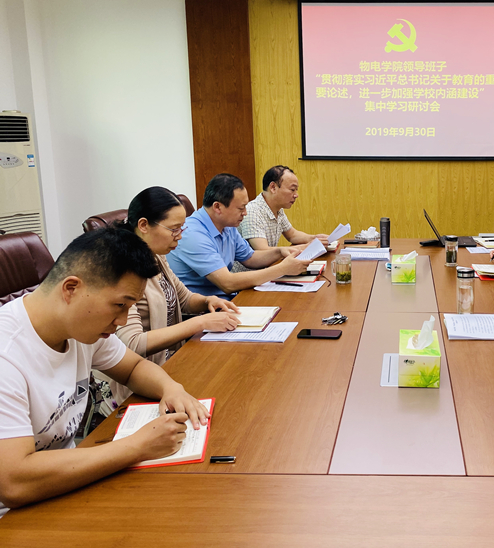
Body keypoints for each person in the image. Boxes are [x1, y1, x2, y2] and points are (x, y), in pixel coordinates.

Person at [0, 227, 209, 516]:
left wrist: (171, 388)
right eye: (119, 305)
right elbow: (13, 482)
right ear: (71, 289)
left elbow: (134, 367)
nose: (122, 320)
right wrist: (137, 446)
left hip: (68, 483)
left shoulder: (80, 327)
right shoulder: (7, 354)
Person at [111, 186, 242, 405]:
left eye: (182, 228)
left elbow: (184, 298)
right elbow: (132, 343)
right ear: (143, 225)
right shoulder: (122, 269)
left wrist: (207, 301)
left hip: (170, 362)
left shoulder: (154, 254)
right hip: (141, 381)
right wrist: (201, 323)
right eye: (174, 229)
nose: (180, 236)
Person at [167, 173, 311, 299]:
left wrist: (280, 252)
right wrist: (282, 269)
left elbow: (250, 258)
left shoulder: (227, 226)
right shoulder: (193, 235)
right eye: (241, 208)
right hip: (203, 310)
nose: (245, 213)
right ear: (217, 207)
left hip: (227, 300)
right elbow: (227, 283)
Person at [234, 165, 328, 271]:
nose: (296, 195)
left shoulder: (278, 209)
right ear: (273, 187)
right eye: (292, 190)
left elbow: (292, 235)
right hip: (249, 276)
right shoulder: (252, 212)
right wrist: (307, 247)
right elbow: (263, 250)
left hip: (269, 269)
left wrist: (315, 238)